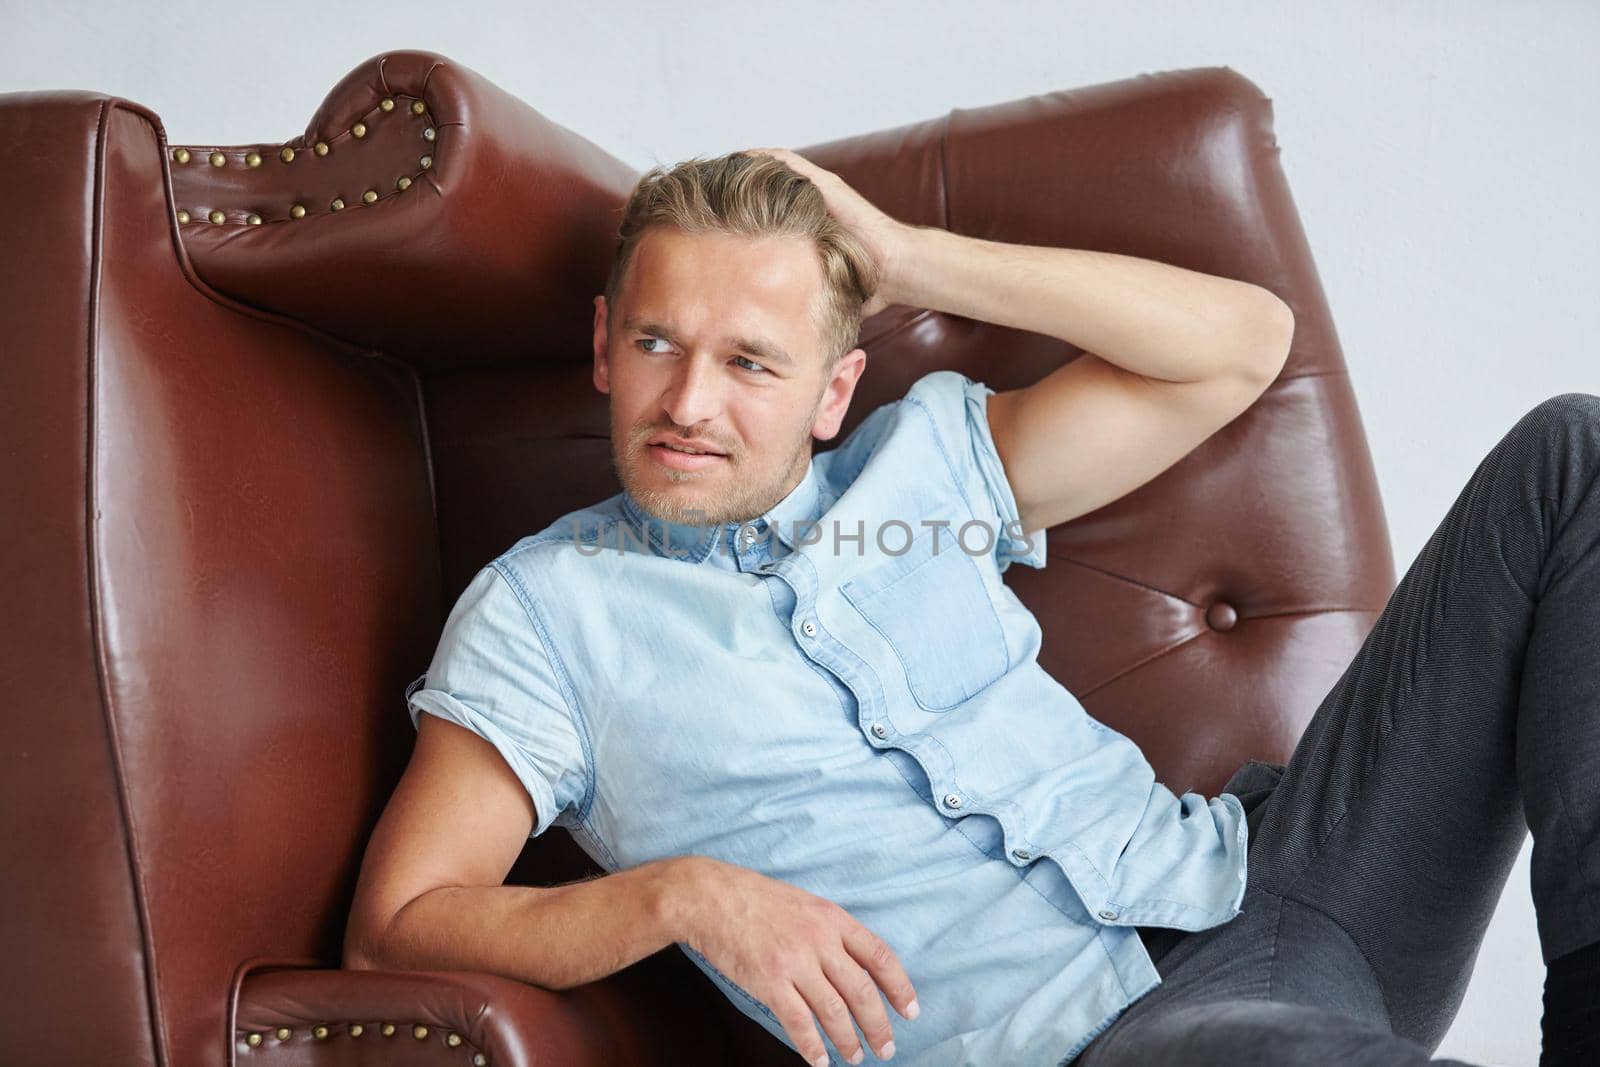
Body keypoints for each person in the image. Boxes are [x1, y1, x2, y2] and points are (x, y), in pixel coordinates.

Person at [342, 148, 1597, 1067]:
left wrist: (908, 257)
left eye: (750, 361)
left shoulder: (923, 468)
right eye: (661, 345)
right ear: (606, 344)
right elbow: (396, 927)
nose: (689, 405)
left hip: (1282, 876)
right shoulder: (548, 611)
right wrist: (681, 894)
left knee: (1573, 456)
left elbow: (1242, 345)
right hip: (1126, 1040)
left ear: (834, 389)